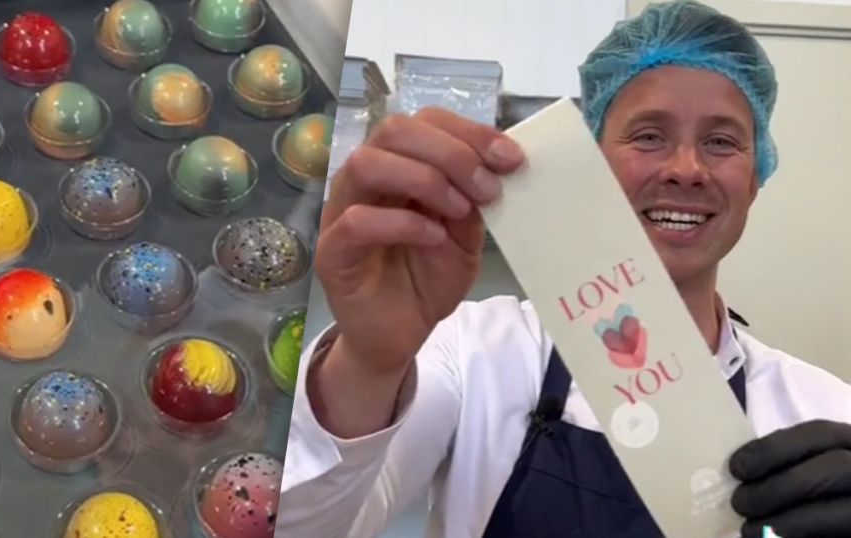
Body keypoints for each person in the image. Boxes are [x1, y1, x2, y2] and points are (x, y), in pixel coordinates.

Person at [276, 1, 851, 538]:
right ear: (591, 163)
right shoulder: (475, 352)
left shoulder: (822, 411)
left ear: (755, 178)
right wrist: (367, 363)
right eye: (649, 136)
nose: (686, 169)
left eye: (722, 142)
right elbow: (300, 525)